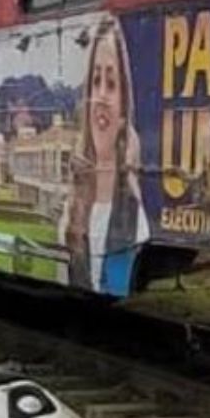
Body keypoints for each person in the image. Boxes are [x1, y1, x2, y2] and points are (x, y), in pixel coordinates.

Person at [58, 18, 150, 294]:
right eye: (95, 81)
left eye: (111, 83)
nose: (99, 96)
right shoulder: (71, 209)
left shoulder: (137, 220)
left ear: (124, 111)